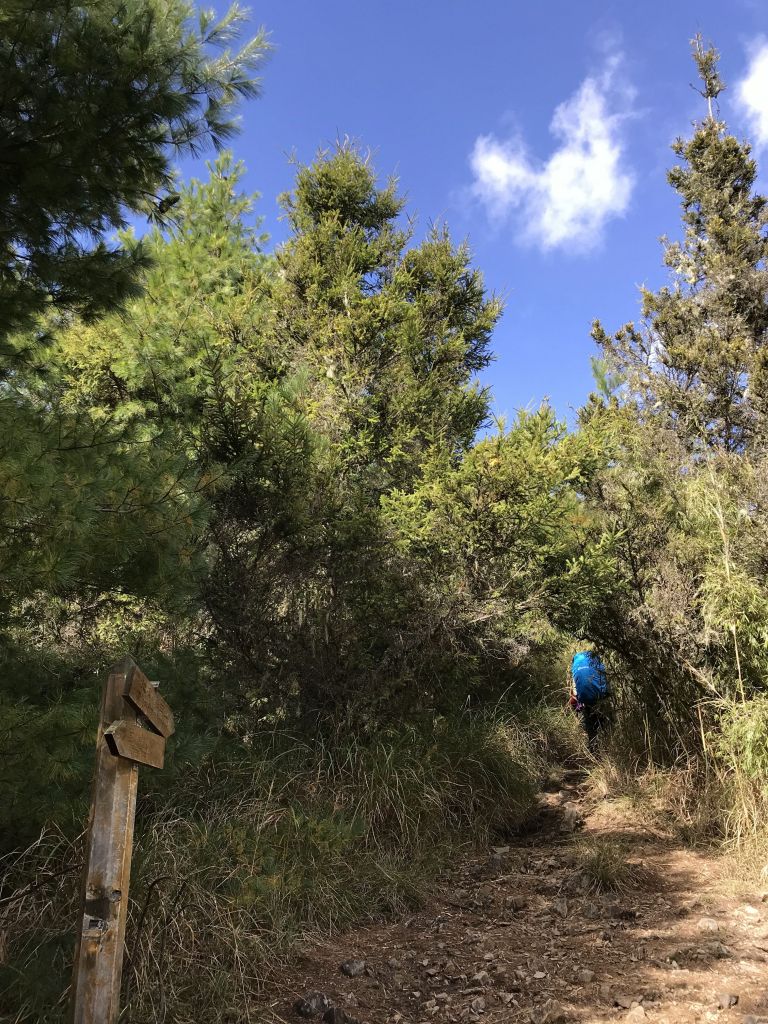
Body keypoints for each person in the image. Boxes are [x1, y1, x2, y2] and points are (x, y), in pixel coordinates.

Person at [568, 649, 611, 753]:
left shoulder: (576, 669)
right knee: (603, 723)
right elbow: (607, 683)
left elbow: (574, 693)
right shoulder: (598, 665)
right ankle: (607, 748)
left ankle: (593, 750)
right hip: (601, 698)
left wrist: (575, 705)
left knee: (590, 726)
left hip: (586, 701)